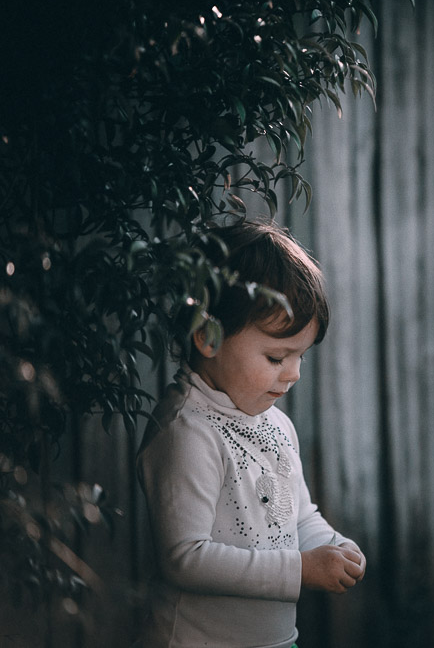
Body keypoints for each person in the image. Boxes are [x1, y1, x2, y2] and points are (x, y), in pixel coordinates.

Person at [137, 220, 365, 648]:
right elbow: (185, 557)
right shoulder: (188, 432)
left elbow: (299, 517)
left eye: (299, 356)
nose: (294, 374)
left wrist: (334, 547)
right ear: (208, 335)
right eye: (277, 356)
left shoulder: (276, 425)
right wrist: (301, 569)